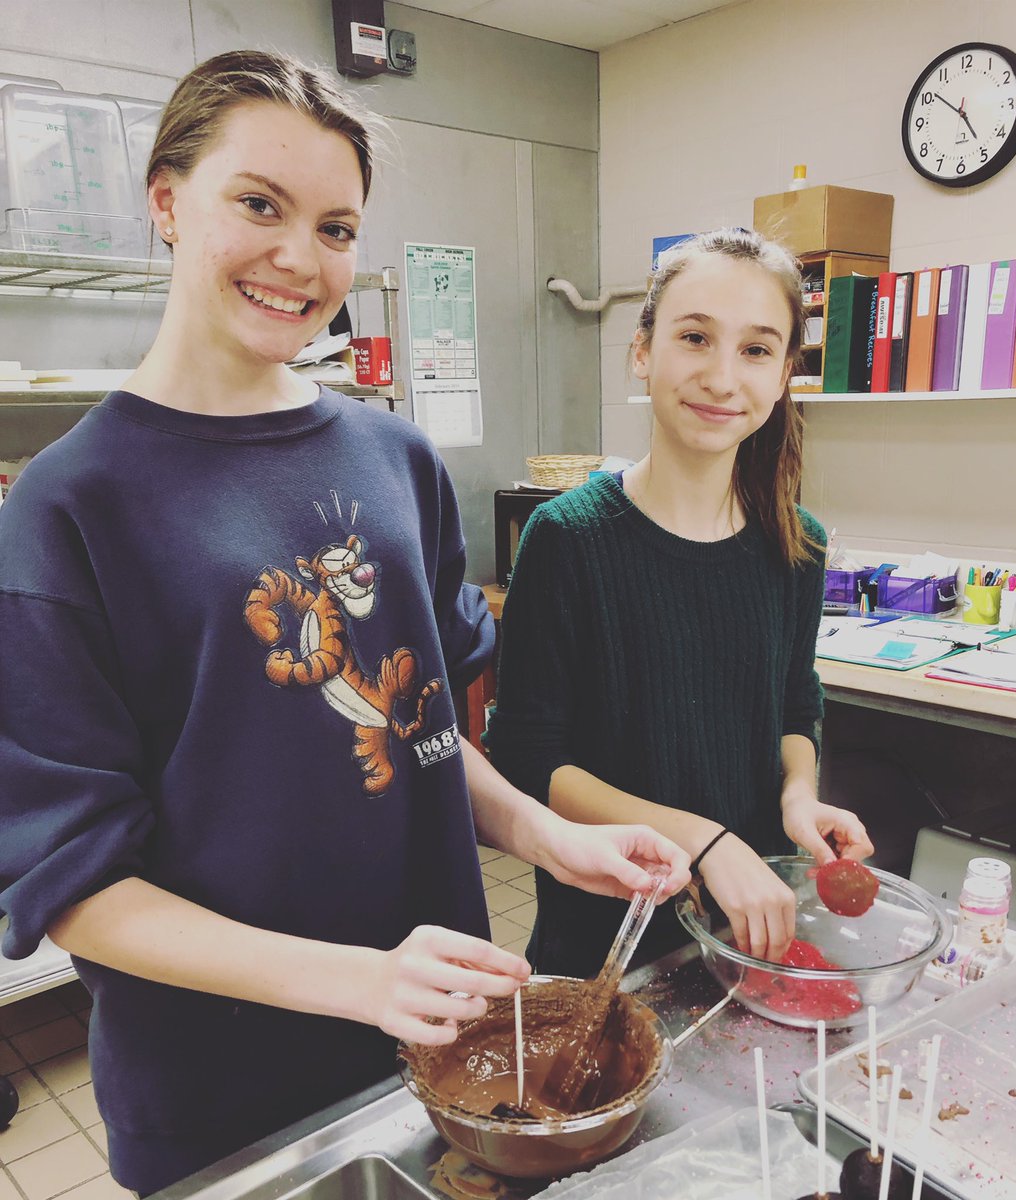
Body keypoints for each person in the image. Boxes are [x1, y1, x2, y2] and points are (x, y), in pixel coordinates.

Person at [0, 51, 690, 1195]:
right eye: (257, 206)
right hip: (221, 1091)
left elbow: (425, 732)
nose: (298, 258)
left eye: (334, 226)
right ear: (168, 203)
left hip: (451, 1048)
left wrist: (542, 836)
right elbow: (77, 889)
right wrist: (360, 980)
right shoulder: (71, 508)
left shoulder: (393, 457)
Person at [488, 227, 874, 981]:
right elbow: (530, 758)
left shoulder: (797, 545)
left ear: (786, 371)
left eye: (757, 350)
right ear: (643, 350)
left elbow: (796, 709)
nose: (723, 378)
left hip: (749, 930)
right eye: (695, 337)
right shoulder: (568, 538)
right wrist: (703, 839)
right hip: (608, 946)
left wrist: (800, 800)